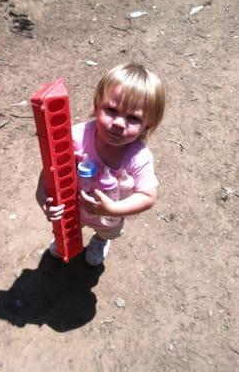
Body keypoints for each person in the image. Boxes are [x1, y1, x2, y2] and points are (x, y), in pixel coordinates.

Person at [36, 62, 165, 266]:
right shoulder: (75, 138)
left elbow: (148, 196)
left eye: (133, 118)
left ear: (146, 126)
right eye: (112, 110)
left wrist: (112, 209)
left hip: (110, 215)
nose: (119, 123)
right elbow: (50, 169)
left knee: (108, 232)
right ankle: (66, 238)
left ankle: (100, 240)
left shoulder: (139, 157)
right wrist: (43, 197)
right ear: (96, 107)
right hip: (73, 208)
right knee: (70, 227)